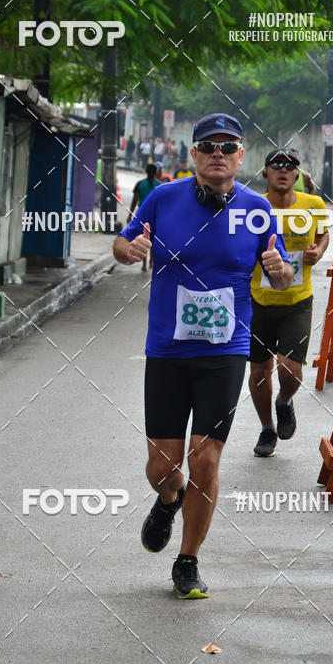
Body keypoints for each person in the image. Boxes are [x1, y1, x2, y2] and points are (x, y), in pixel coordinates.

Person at [113, 114, 293, 598]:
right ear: (192, 154)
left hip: (226, 351)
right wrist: (128, 250)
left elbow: (282, 274)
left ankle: (187, 561)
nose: (217, 153)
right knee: (163, 468)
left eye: (227, 146)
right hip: (168, 351)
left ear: (240, 157)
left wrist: (279, 271)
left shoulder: (257, 209)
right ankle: (168, 501)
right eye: (207, 146)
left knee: (205, 458)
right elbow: (123, 241)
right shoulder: (163, 198)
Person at [249, 148, 330, 457]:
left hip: (297, 300)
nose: (283, 169)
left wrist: (318, 251)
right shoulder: (254, 207)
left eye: (290, 165)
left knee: (289, 368)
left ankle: (284, 400)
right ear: (266, 173)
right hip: (257, 300)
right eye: (276, 164)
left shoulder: (314, 204)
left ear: (297, 174)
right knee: (258, 372)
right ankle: (267, 428)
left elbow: (323, 235)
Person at [128, 163, 161, 270]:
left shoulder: (140, 184)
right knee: (153, 240)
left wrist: (130, 215)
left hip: (142, 215)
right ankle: (152, 262)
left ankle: (144, 264)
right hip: (156, 216)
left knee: (144, 239)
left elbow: (134, 200)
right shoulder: (159, 186)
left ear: (146, 171)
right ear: (156, 172)